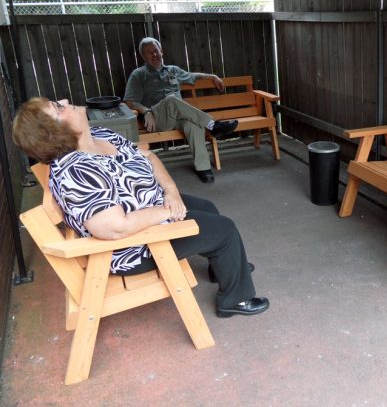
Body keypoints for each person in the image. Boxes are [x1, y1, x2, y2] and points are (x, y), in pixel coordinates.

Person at [12, 97, 269, 318]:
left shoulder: (100, 135)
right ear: (55, 132)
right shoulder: (76, 171)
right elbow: (114, 229)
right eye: (59, 108)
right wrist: (168, 211)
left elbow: (148, 156)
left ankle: (223, 268)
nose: (67, 102)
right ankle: (234, 300)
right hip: (136, 247)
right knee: (224, 230)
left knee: (208, 207)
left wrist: (171, 193)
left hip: (151, 208)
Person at [124, 37, 238, 184]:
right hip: (157, 119)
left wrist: (213, 76)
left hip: (178, 116)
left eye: (156, 51)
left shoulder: (173, 70)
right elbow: (129, 101)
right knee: (172, 100)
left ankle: (203, 168)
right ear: (143, 56)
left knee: (193, 124)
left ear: (161, 52)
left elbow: (192, 76)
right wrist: (146, 111)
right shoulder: (138, 75)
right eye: (149, 53)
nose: (154, 55)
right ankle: (212, 125)